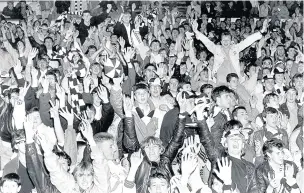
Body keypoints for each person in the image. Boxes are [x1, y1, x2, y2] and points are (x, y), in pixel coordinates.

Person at [191, 15, 268, 84]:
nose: (225, 42)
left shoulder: (235, 48)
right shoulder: (216, 49)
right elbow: (207, 42)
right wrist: (196, 31)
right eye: (224, 40)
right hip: (220, 78)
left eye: (227, 40)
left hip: (234, 78)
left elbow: (247, 41)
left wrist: (261, 31)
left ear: (231, 41)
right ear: (221, 41)